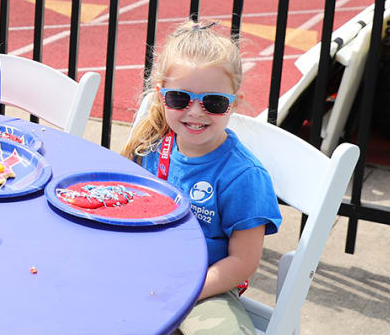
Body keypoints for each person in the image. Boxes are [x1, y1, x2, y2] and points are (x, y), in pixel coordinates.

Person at [120, 20, 281, 335]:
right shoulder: (150, 147)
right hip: (142, 266)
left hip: (207, 285)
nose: (195, 112)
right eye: (180, 98)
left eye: (214, 102)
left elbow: (242, 263)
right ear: (161, 96)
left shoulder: (244, 176)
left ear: (233, 103)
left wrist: (184, 292)